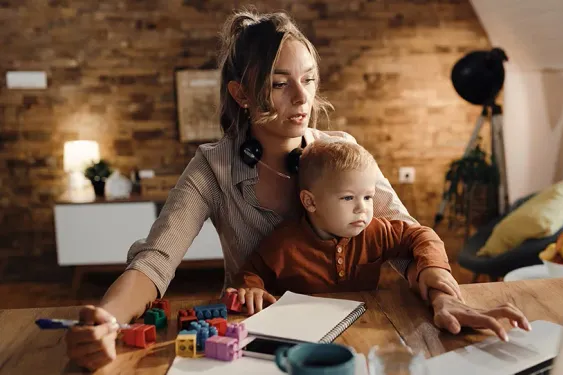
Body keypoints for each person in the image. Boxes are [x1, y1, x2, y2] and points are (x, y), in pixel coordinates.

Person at [65, 9, 529, 371]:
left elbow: (408, 236)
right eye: (280, 84)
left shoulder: (341, 151)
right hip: (253, 343)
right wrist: (108, 320)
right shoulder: (212, 166)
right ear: (241, 94)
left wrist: (446, 294)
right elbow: (156, 260)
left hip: (357, 335)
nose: (302, 99)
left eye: (308, 80)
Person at [229, 139, 530, 341]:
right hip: (303, 340)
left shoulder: (375, 230)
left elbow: (420, 235)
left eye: (369, 197)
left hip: (368, 330)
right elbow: (250, 274)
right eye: (348, 198)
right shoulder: (283, 243)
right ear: (310, 202)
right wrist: (250, 289)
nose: (363, 208)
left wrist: (432, 270)